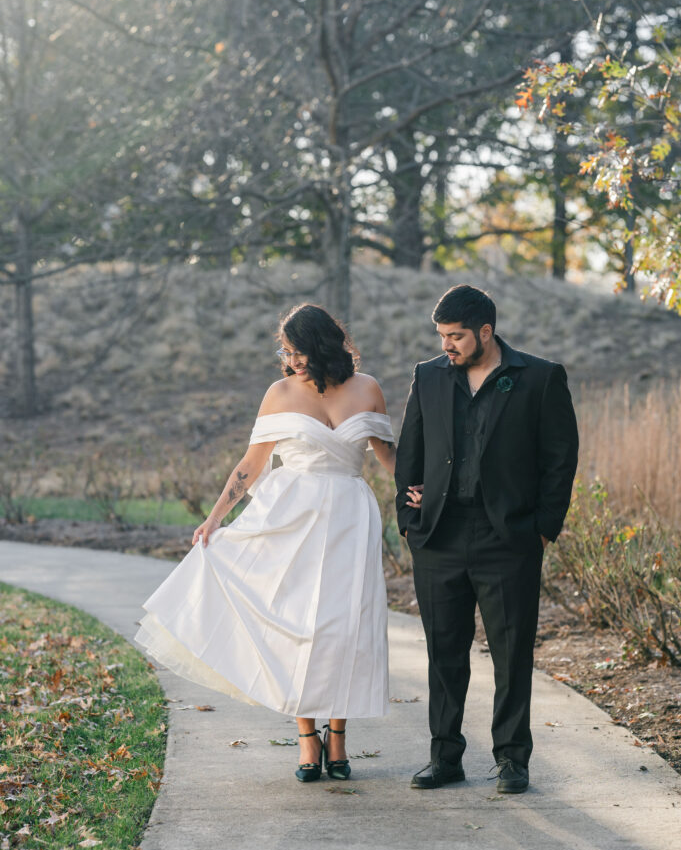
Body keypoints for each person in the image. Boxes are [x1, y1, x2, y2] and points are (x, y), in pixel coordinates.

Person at [136, 303, 396, 783]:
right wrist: (214, 519)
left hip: (351, 517)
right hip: (290, 519)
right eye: (286, 352)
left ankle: (338, 735)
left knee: (346, 625)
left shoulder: (368, 389)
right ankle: (306, 736)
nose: (291, 361)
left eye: (299, 352)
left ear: (323, 346)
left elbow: (386, 454)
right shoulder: (279, 394)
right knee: (297, 624)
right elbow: (251, 464)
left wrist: (416, 490)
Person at [395, 284, 578, 793]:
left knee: (511, 653)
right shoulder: (428, 375)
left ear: (486, 331)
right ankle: (445, 757)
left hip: (509, 537)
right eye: (441, 335)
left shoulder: (540, 377)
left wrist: (543, 529)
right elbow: (411, 450)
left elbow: (560, 459)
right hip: (439, 536)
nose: (446, 345)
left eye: (456, 336)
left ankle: (512, 760)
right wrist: (409, 520)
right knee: (444, 653)